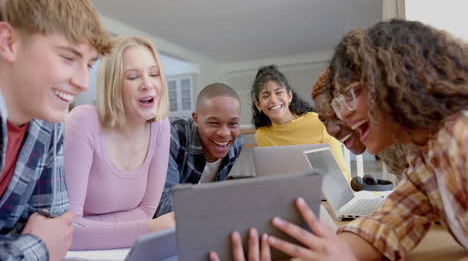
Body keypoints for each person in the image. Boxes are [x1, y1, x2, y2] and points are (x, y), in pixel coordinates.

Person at [215, 19, 468, 261]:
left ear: (400, 80)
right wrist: (329, 248)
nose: (343, 114)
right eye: (339, 101)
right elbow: (387, 226)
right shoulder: (424, 163)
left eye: (351, 94)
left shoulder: (460, 138)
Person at [0, 0, 112, 260]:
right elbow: (44, 242)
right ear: (8, 42)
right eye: (67, 58)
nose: (84, 82)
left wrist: (30, 244)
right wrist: (36, 246)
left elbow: (58, 232)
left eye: (89, 65)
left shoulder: (48, 125)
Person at [64, 36, 173, 250]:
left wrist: (91, 229)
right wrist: (149, 229)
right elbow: (67, 230)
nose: (147, 84)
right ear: (113, 85)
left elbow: (147, 210)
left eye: (154, 74)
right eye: (133, 77)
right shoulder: (83, 121)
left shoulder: (160, 126)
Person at [155, 83, 243, 217]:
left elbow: (214, 190)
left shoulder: (236, 143)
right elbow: (162, 207)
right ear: (196, 119)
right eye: (214, 123)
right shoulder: (172, 137)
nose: (225, 133)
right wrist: (220, 203)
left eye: (233, 124)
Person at [251, 65, 351, 181]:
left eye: (278, 93)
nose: (273, 100)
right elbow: (271, 179)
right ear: (258, 104)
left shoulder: (319, 122)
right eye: (266, 95)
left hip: (326, 195)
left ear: (289, 96)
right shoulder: (262, 135)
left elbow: (341, 174)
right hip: (288, 196)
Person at [312, 68, 408, 176]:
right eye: (323, 120)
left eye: (338, 113)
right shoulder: (384, 148)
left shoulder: (410, 138)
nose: (331, 130)